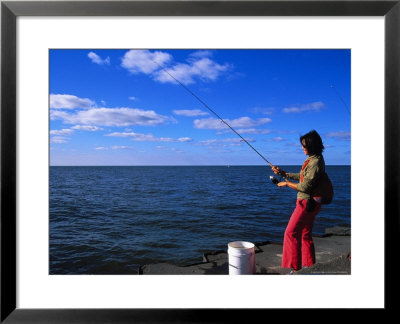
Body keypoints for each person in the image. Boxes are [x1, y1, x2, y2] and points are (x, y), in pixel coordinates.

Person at [272, 130, 326, 274]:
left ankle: (295, 269)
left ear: (312, 146)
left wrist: (286, 184)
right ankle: (309, 267)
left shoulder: (314, 162)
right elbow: (303, 178)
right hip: (312, 203)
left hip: (306, 203)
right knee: (305, 234)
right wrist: (284, 174)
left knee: (290, 233)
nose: (302, 148)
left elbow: (305, 186)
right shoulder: (315, 158)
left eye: (304, 145)